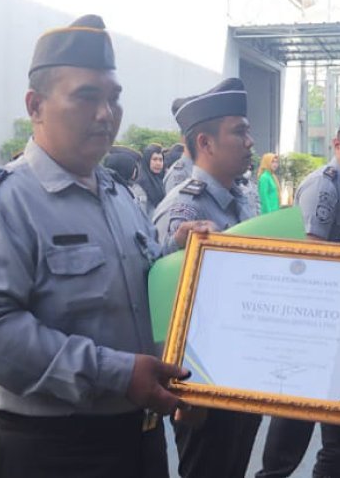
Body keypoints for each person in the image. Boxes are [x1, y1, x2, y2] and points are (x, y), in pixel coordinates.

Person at [0, 14, 211, 478]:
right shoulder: (3, 203)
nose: (106, 113)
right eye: (87, 96)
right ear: (36, 105)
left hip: (133, 437)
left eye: (113, 97)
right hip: (41, 448)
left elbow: (133, 290)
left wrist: (177, 255)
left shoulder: (119, 195)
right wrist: (115, 372)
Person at [257, 105, 340, 478]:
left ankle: (334, 462)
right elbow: (313, 252)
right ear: (337, 143)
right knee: (301, 400)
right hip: (314, 310)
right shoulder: (323, 185)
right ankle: (274, 473)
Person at [152, 77, 260, 478]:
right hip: (203, 379)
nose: (250, 141)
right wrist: (186, 389)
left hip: (243, 366)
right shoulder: (184, 209)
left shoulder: (242, 199)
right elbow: (167, 306)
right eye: (239, 132)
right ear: (205, 142)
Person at [103, 145, 148, 213]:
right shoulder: (131, 193)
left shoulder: (101, 187)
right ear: (127, 167)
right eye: (134, 166)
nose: (136, 170)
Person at [136, 143, 166, 215]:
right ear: (147, 160)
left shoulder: (160, 179)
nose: (158, 163)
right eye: (154, 159)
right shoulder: (141, 183)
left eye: (160, 160)